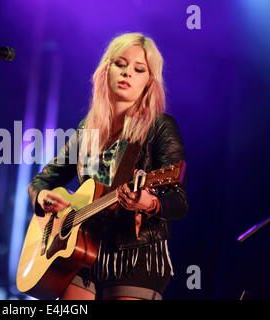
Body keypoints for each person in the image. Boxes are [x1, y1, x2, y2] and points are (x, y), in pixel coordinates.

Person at [28, 32, 188, 300]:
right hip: (81, 252)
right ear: (106, 70)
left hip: (135, 255)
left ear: (149, 82)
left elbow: (179, 201)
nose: (127, 73)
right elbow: (42, 180)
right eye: (120, 64)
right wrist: (43, 197)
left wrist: (149, 203)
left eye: (139, 69)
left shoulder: (160, 126)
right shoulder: (87, 129)